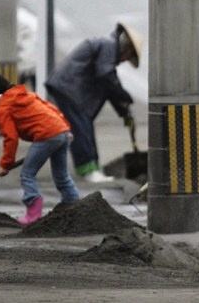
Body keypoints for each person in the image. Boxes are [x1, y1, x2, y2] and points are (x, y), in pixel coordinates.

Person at [0, 72, 80, 226]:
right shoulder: (23, 94)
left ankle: (33, 213)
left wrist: (5, 164)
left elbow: (11, 139)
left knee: (27, 174)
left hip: (46, 135)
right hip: (60, 132)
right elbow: (48, 107)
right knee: (61, 175)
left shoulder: (3, 109)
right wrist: (65, 128)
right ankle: (74, 206)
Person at [45, 23, 143, 183]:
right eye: (128, 55)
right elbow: (106, 76)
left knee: (84, 126)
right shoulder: (109, 46)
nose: (125, 60)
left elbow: (109, 86)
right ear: (126, 48)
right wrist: (124, 96)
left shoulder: (107, 49)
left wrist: (124, 111)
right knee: (80, 127)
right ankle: (88, 170)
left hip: (72, 89)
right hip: (70, 88)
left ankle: (93, 168)